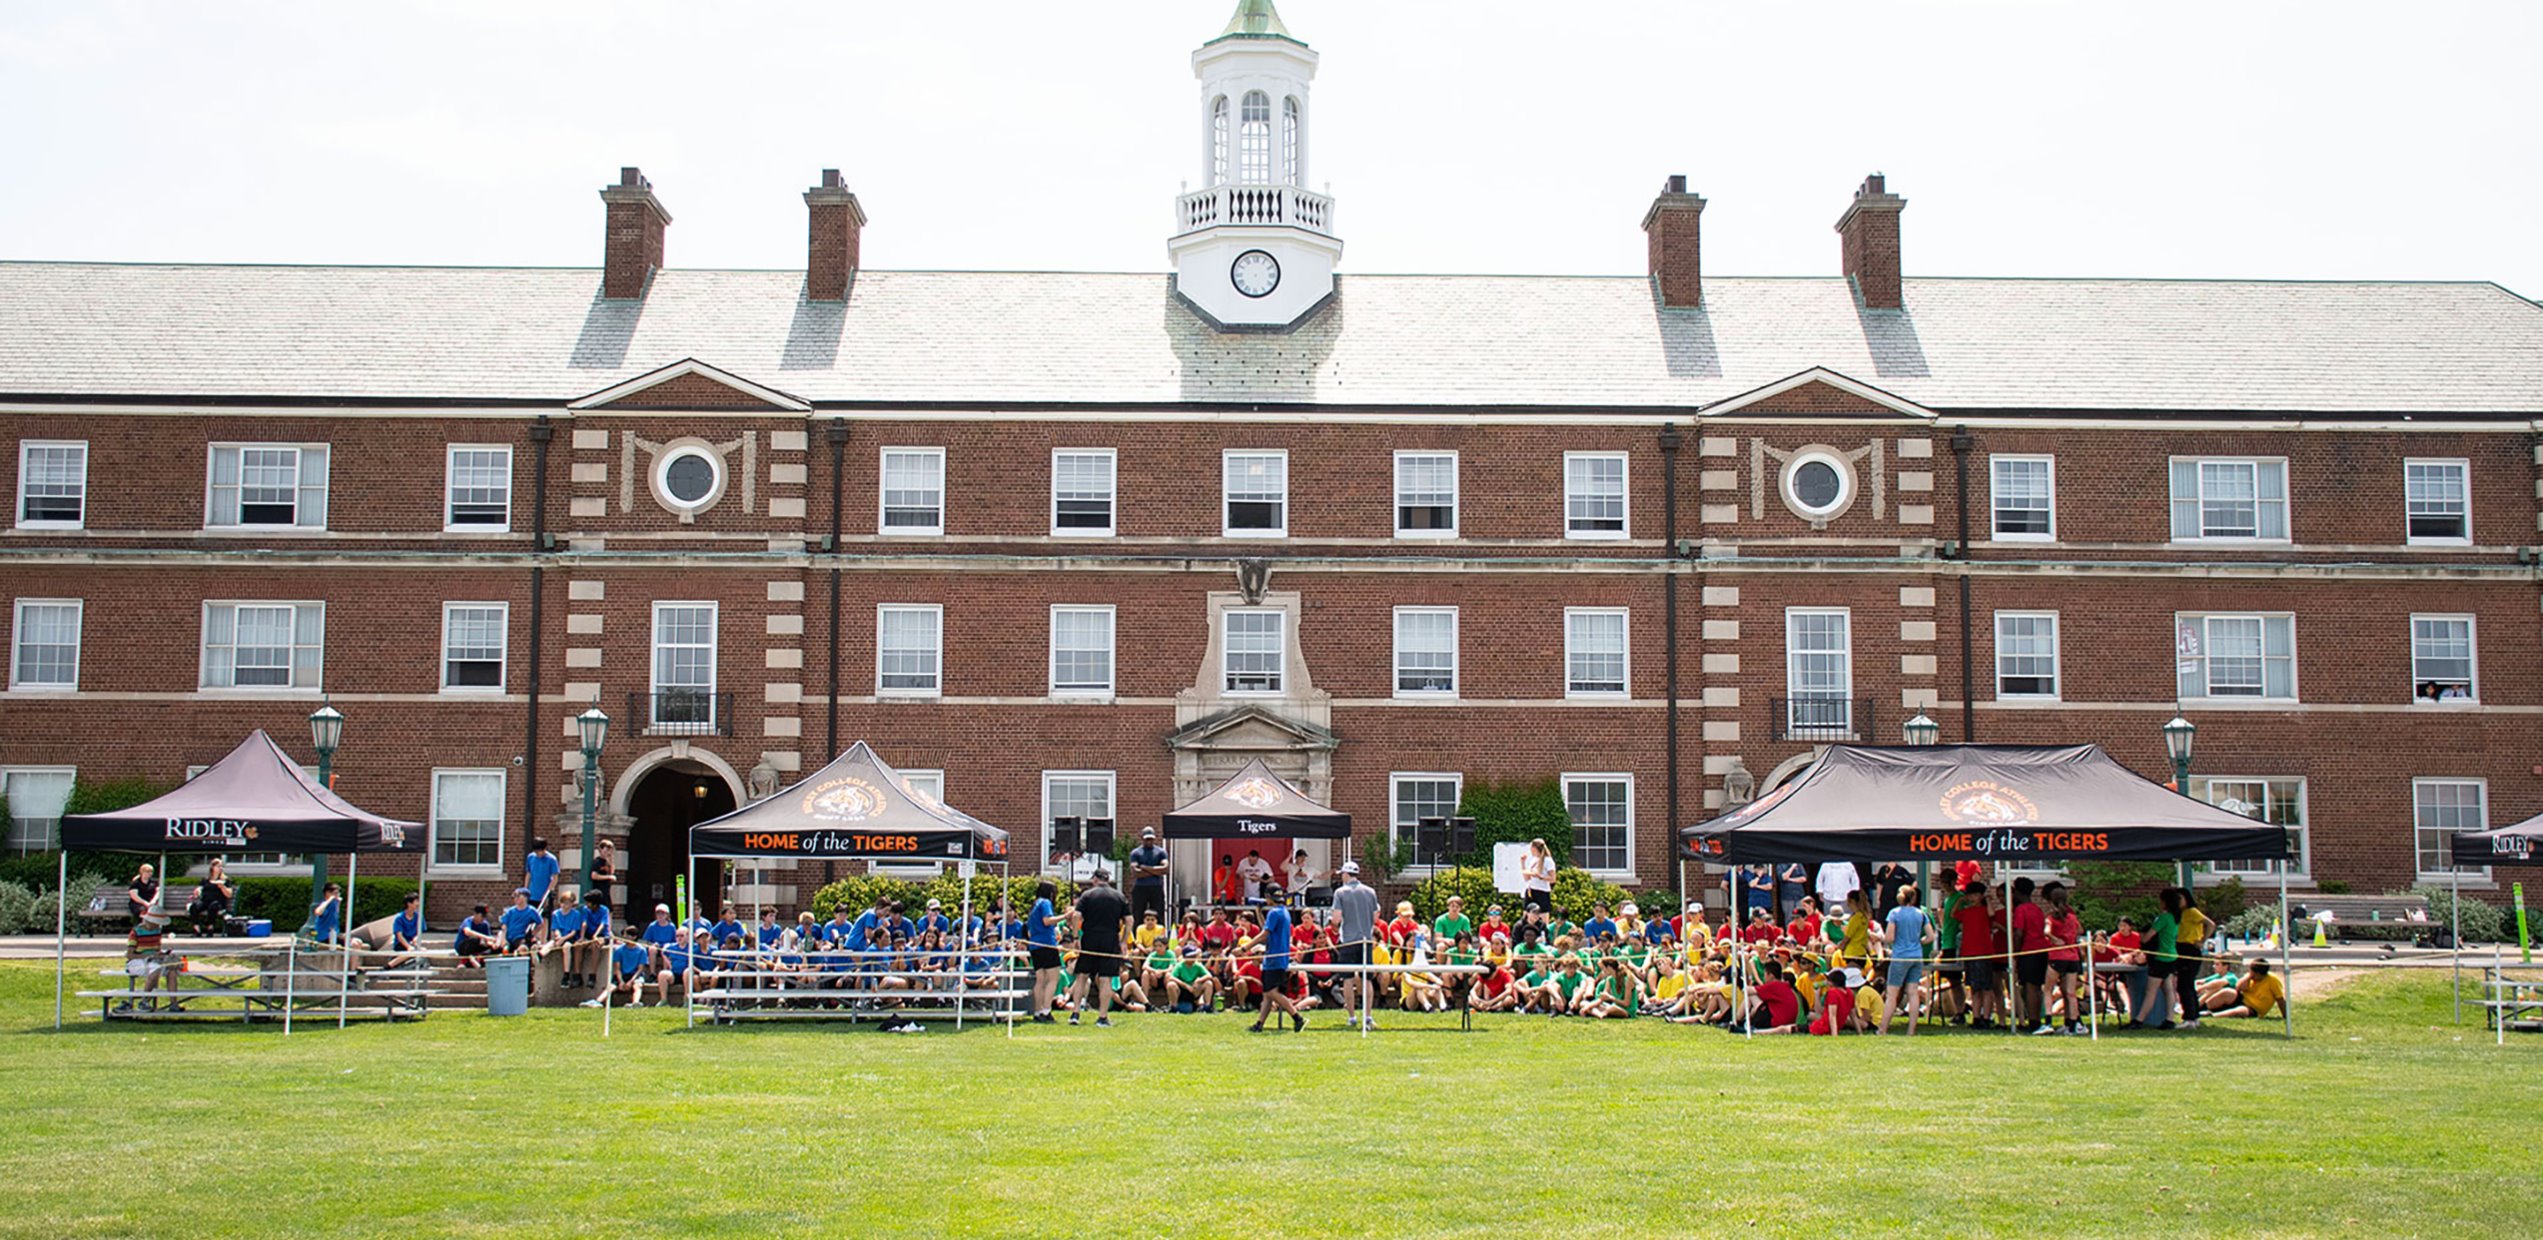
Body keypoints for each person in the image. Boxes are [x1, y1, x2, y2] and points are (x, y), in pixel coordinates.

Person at [1067, 869, 1131, 1027]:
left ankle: (1075, 1013)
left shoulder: (1087, 895)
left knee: (1082, 975)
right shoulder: (1119, 896)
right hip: (1110, 939)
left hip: (1090, 937)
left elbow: (1076, 916)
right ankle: (1102, 1017)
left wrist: (1076, 937)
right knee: (1106, 978)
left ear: (1096, 879)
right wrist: (1123, 941)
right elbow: (1129, 920)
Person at [1330, 860, 1380, 1026]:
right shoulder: (1370, 892)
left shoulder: (1340, 892)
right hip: (1366, 940)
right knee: (1367, 979)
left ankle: (1352, 1017)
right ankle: (1368, 1016)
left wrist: (1334, 925)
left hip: (1348, 941)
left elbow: (1336, 919)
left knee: (1348, 979)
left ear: (1345, 874)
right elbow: (1375, 917)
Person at [1880, 883, 1933, 1035]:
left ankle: (1882, 1029)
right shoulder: (1920, 914)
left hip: (1900, 956)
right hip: (1916, 956)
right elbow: (1931, 936)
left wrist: (1881, 938)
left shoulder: (1894, 913)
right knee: (1913, 992)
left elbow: (1889, 937)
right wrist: (1919, 941)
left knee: (1892, 994)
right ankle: (1911, 1030)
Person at [1250, 897, 1305, 1032]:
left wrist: (1246, 947)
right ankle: (1259, 1024)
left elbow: (1265, 934)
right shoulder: (1283, 912)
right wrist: (1259, 913)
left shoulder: (1274, 913)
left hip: (1274, 958)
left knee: (1271, 992)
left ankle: (1297, 1017)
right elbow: (1268, 930)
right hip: (1277, 958)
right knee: (1267, 995)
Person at [1954, 881, 2003, 1029]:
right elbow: (1954, 914)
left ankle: (1986, 1017)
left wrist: (1987, 900)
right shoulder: (1967, 912)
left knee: (1986, 988)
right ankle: (1976, 1017)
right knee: (1974, 987)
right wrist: (1960, 900)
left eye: (1976, 895)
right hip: (1970, 953)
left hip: (1984, 952)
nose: (1973, 898)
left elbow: (1991, 914)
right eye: (1971, 895)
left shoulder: (1984, 911)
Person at [2133, 888, 2184, 1030]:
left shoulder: (2164, 918)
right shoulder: (2176, 917)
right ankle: (2169, 1019)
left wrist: (2140, 936)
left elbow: (2148, 936)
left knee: (2151, 991)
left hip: (2160, 957)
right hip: (2172, 955)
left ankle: (2139, 1019)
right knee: (2168, 989)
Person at [2040, 882, 2086, 1035]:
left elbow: (2046, 931)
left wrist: (2054, 939)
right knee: (2070, 992)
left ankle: (2047, 1022)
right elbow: (2080, 930)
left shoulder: (2051, 918)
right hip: (2072, 957)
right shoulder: (2072, 917)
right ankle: (2073, 1025)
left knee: (2047, 988)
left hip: (2057, 956)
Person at [2010, 876, 2048, 1031]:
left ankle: (2033, 1021)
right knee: (2037, 986)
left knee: (2030, 987)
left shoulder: (2021, 909)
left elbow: (2019, 933)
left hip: (2029, 950)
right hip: (2042, 949)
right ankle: (2036, 1018)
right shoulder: (2037, 909)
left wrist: (2015, 953)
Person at [2173, 889, 2213, 1030]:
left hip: (2189, 948)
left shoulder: (2192, 912)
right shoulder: (2179, 914)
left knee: (2185, 985)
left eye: (2180, 898)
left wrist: (2202, 940)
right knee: (2186, 985)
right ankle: (2194, 1016)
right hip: (2180, 947)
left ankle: (2190, 1018)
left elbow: (2210, 924)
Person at [1025, 879, 1064, 1022]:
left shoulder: (1034, 906)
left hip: (1034, 945)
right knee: (1053, 978)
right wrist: (1065, 916)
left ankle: (1037, 1011)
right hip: (1047, 944)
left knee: (1040, 980)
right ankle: (1046, 1010)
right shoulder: (1046, 903)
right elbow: (1047, 921)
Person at [586, 926, 654, 1007]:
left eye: (627, 935)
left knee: (637, 986)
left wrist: (631, 981)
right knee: (611, 987)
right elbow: (617, 968)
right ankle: (597, 1002)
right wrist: (621, 981)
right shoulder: (619, 950)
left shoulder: (641, 950)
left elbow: (640, 969)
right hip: (622, 974)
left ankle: (635, 1003)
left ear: (634, 937)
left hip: (635, 975)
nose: (624, 937)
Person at [2210, 959, 2285, 1019]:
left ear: (2260, 974)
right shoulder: (2249, 976)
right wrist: (2248, 977)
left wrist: (2285, 1016)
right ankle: (2204, 1007)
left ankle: (2213, 1015)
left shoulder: (2273, 980)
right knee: (2227, 992)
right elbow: (2238, 987)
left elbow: (2280, 1000)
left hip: (2254, 1009)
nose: (2252, 976)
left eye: (2254, 975)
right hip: (2242, 999)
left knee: (2241, 1011)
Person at [1126, 828, 1170, 925]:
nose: (1149, 841)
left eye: (1151, 839)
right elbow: (1136, 872)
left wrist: (1145, 868)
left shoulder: (1161, 852)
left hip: (1156, 887)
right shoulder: (1136, 853)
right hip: (1140, 887)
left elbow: (1165, 869)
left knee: (1158, 913)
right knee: (1138, 913)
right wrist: (1155, 871)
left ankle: (1160, 937)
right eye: (1147, 839)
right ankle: (1138, 935)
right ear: (1142, 838)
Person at [1747, 959, 1803, 1034]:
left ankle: (1738, 1019)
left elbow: (1749, 991)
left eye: (1765, 974)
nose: (1764, 977)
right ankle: (1744, 1020)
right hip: (1788, 1022)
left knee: (1752, 995)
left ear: (1770, 975)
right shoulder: (1786, 987)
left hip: (1775, 1023)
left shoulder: (1774, 985)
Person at [186, 858, 234, 935]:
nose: (220, 868)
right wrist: (197, 892)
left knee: (213, 906)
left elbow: (229, 895)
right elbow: (200, 888)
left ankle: (210, 927)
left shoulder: (225, 880)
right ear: (212, 867)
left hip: (218, 903)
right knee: (193, 907)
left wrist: (222, 887)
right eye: (218, 866)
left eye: (221, 866)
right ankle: (197, 929)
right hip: (206, 901)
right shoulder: (205, 880)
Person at [387, 892, 426, 967]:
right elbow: (399, 935)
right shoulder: (399, 918)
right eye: (416, 901)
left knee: (423, 951)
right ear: (409, 903)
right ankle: (389, 966)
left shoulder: (419, 916)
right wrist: (408, 946)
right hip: (401, 944)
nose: (418, 904)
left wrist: (415, 941)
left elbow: (419, 933)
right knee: (410, 952)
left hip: (413, 943)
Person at [1520, 839, 1556, 914]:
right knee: (1526, 915)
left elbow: (1553, 879)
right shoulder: (1534, 860)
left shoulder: (1548, 860)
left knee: (1542, 916)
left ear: (1535, 848)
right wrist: (1523, 863)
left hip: (1542, 892)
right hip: (1531, 890)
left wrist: (1541, 877)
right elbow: (1527, 878)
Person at [523, 838, 560, 910]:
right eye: (536, 851)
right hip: (532, 894)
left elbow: (555, 878)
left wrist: (547, 894)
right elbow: (528, 874)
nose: (538, 853)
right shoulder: (531, 857)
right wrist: (525, 890)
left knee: (544, 918)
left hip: (544, 894)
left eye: (540, 851)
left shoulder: (552, 859)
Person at [308, 882, 343, 946]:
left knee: (357, 941)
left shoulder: (335, 904)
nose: (337, 895)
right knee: (353, 943)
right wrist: (330, 899)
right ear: (328, 893)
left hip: (334, 934)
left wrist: (338, 903)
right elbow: (318, 912)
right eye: (335, 893)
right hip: (324, 936)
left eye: (338, 893)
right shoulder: (324, 904)